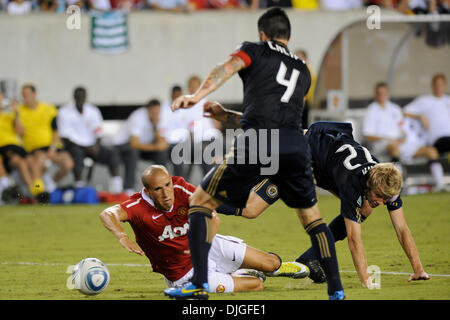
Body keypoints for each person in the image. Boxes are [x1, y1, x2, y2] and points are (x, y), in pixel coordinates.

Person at [165, 7, 345, 300]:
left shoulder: (254, 50)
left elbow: (227, 67)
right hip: (295, 146)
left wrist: (197, 97)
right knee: (314, 221)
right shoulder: (302, 70)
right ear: (288, 35)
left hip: (258, 141)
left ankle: (198, 283)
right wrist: (225, 116)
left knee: (199, 203)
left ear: (262, 34)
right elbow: (276, 115)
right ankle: (336, 290)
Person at [206, 114, 430, 286]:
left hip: (319, 156)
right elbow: (354, 241)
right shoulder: (354, 182)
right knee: (250, 209)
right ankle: (201, 203)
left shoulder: (387, 181)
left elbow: (402, 229)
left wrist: (418, 269)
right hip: (296, 159)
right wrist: (366, 281)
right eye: (379, 196)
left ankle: (308, 260)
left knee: (364, 210)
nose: (382, 201)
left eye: (385, 198)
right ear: (369, 183)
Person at [99, 165, 308, 296]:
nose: (166, 193)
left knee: (271, 263)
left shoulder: (181, 188)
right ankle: (240, 272)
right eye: (158, 189)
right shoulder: (136, 206)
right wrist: (122, 235)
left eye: (167, 185)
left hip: (208, 246)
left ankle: (277, 267)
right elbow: (107, 214)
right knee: (256, 285)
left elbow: (212, 215)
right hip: (183, 275)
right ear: (147, 191)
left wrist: (203, 244)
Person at [58, 87, 123, 193]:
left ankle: (117, 187)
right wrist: (86, 147)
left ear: (86, 97)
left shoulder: (93, 110)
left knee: (112, 154)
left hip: (92, 146)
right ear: (74, 97)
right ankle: (79, 186)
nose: (80, 99)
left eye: (82, 96)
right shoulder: (64, 111)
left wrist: (96, 147)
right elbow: (65, 138)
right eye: (78, 96)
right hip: (74, 146)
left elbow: (98, 133)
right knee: (77, 155)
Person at [17, 84, 74, 195]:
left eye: (27, 95)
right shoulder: (19, 111)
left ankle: (52, 184)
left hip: (51, 147)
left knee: (68, 163)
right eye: (23, 96)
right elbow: (19, 132)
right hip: (34, 149)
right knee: (39, 162)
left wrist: (52, 149)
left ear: (34, 94)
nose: (25, 98)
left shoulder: (48, 109)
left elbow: (56, 131)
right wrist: (16, 115)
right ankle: (39, 192)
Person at [113, 99, 169, 194]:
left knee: (162, 154)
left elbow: (163, 143)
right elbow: (134, 143)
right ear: (148, 110)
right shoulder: (138, 117)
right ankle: (128, 188)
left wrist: (155, 127)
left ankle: (161, 186)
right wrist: (156, 147)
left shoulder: (159, 118)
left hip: (144, 146)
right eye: (153, 112)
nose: (155, 114)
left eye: (157, 112)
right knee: (132, 152)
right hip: (122, 145)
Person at [0, 92, 41, 199]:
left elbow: (20, 132)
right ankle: (34, 192)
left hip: (17, 146)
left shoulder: (10, 115)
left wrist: (16, 113)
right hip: (4, 147)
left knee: (33, 163)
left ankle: (40, 189)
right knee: (21, 163)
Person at [403, 73, 450, 156]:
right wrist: (420, 116)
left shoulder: (448, 100)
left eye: (441, 85)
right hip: (437, 140)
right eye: (436, 85)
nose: (438, 87)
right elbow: (403, 111)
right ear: (432, 85)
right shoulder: (425, 100)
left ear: (445, 86)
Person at [362, 82, 404, 165]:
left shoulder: (395, 109)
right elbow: (368, 135)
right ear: (376, 94)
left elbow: (402, 129)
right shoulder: (371, 110)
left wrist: (402, 140)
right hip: (379, 144)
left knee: (429, 151)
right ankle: (398, 174)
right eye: (379, 93)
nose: (382, 95)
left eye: (384, 93)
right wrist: (387, 139)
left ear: (388, 93)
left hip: (397, 142)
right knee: (394, 149)